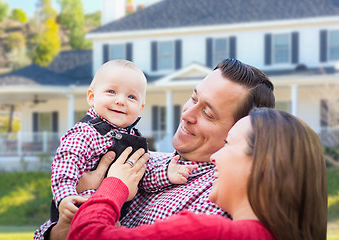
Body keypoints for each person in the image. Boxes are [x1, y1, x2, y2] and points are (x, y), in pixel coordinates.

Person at [42, 58, 276, 239]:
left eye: (208, 113)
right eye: (194, 99)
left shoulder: (218, 197)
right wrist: (61, 227)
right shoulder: (144, 160)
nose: (186, 114)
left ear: (241, 130)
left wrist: (109, 188)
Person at [67, 108, 328, 240]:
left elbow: (86, 235)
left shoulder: (207, 231)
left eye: (228, 144)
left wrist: (114, 184)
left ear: (262, 165)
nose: (215, 157)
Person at [33, 59, 196, 240]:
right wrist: (65, 196)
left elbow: (141, 176)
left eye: (131, 97)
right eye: (111, 92)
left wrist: (166, 174)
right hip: (78, 209)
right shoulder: (86, 132)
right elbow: (66, 165)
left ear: (140, 108)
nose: (120, 101)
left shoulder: (135, 140)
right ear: (92, 97)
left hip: (111, 219)